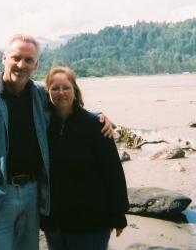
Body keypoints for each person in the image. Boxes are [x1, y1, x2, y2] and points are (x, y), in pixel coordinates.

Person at [0, 34, 113, 250]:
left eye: (28, 60)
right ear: (4, 58)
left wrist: (98, 116)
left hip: (33, 191)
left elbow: (68, 105)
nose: (21, 65)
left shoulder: (39, 95)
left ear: (36, 64)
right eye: (16, 58)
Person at [40, 66, 129, 250]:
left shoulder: (95, 126)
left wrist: (118, 214)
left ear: (75, 91)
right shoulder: (44, 127)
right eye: (55, 88)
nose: (61, 93)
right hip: (55, 224)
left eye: (66, 87)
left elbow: (113, 172)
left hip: (91, 223)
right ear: (47, 93)